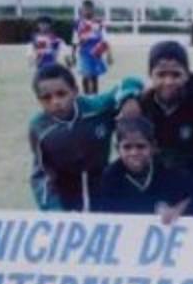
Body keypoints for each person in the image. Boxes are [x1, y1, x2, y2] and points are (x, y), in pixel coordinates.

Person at [27, 63, 143, 211]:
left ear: (75, 91)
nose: (55, 102)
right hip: (66, 199)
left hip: (104, 190)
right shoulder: (39, 127)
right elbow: (42, 174)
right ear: (38, 100)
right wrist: (54, 210)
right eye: (46, 98)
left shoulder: (96, 108)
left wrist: (129, 98)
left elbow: (129, 82)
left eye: (61, 94)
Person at [126, 41, 193, 176]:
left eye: (176, 75)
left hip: (191, 179)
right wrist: (128, 98)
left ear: (186, 74)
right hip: (151, 181)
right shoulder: (141, 106)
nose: (168, 82)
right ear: (150, 75)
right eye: (161, 75)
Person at [93, 116, 191, 218]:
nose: (134, 153)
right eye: (127, 147)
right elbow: (106, 215)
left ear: (153, 147)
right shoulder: (110, 176)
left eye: (141, 146)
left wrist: (176, 210)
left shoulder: (169, 171)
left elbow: (190, 198)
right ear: (118, 149)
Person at [72, 0, 110, 94]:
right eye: (85, 9)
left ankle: (95, 96)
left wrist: (109, 53)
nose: (87, 11)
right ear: (82, 10)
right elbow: (75, 39)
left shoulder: (99, 22)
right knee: (85, 75)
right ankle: (86, 95)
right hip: (84, 52)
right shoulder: (78, 23)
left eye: (90, 9)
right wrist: (73, 54)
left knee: (94, 76)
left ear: (93, 10)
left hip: (96, 52)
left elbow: (105, 38)